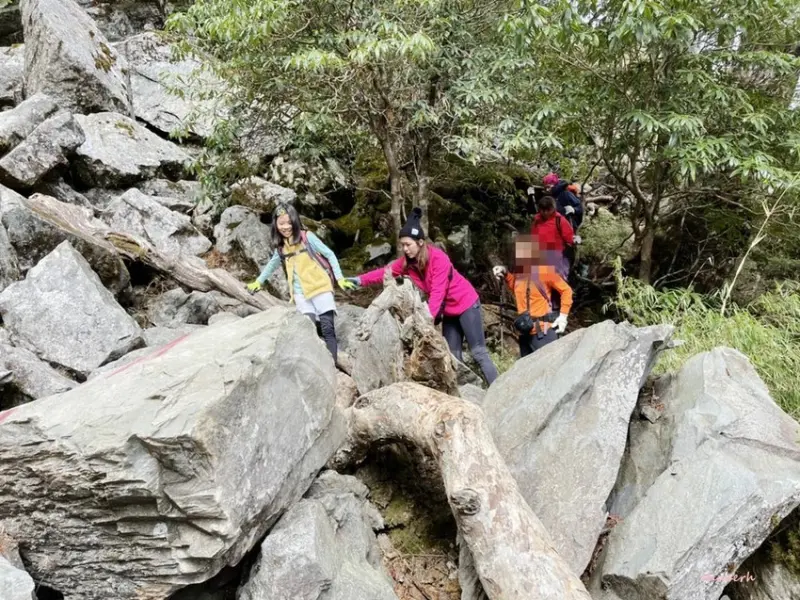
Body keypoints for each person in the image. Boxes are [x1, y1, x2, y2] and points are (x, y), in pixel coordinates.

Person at [347, 207, 499, 385]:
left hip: (466, 303)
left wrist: (426, 322)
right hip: (449, 311)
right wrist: (359, 280)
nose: (405, 249)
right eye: (402, 245)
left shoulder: (439, 259)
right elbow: (384, 272)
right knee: (453, 357)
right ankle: (464, 395)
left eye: (408, 244)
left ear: (420, 242)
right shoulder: (408, 263)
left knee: (478, 352)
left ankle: (498, 389)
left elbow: (437, 293)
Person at [247, 204, 356, 362]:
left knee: (328, 330)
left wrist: (340, 278)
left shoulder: (307, 237)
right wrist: (258, 282)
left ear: (295, 221)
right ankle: (313, 364)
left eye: (289, 222)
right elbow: (272, 264)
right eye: (281, 223)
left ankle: (332, 366)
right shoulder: (282, 247)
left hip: (320, 288)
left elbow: (330, 254)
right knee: (308, 330)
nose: (286, 227)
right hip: (300, 294)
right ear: (275, 225)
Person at [493, 234, 573, 358]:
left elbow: (566, 290)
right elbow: (519, 290)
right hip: (525, 332)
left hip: (543, 332)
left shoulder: (545, 271)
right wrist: (506, 274)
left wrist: (563, 316)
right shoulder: (520, 274)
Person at [531, 195, 575, 280]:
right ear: (539, 209)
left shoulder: (560, 220)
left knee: (557, 281)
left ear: (553, 208)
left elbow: (569, 238)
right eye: (543, 210)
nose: (545, 213)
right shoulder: (536, 220)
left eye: (548, 210)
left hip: (555, 258)